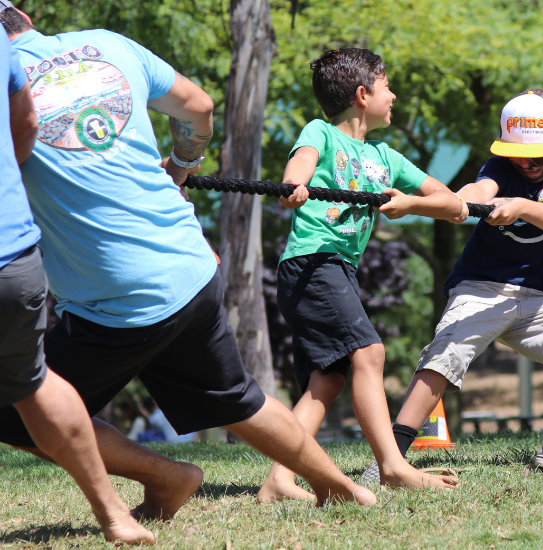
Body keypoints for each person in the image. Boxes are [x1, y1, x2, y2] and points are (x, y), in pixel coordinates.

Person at [0, 4, 375, 513]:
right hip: (191, 267)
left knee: (15, 410)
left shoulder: (7, 87)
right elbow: (198, 105)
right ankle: (344, 487)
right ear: (23, 14)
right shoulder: (107, 43)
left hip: (120, 302)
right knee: (238, 397)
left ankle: (169, 476)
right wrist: (181, 165)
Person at [365, 88, 543, 477]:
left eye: (538, 156)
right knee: (447, 352)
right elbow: (473, 195)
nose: (527, 165)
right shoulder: (499, 167)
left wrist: (521, 207)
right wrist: (420, 204)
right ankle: (390, 457)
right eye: (518, 155)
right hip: (480, 289)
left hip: (538, 299)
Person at [257, 48, 462, 500]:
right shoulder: (322, 133)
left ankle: (277, 479)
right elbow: (300, 166)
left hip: (337, 271)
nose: (395, 95)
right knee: (369, 353)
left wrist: (411, 203)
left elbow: (451, 204)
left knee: (326, 380)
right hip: (312, 263)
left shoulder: (386, 157)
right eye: (388, 86)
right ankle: (392, 465)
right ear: (363, 94)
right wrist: (293, 188)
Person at [0, 22, 154, 545]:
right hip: (12, 251)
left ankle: (158, 482)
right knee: (30, 384)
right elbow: (26, 120)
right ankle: (115, 515)